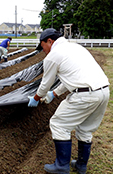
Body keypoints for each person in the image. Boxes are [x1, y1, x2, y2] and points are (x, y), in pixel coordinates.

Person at [28, 28, 109, 174]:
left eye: (43, 46)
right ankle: (81, 165)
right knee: (85, 129)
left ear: (49, 41)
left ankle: (61, 166)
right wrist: (54, 93)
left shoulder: (53, 56)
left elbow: (45, 83)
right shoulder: (75, 47)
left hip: (85, 95)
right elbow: (74, 77)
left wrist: (36, 98)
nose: (43, 50)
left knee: (58, 124)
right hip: (103, 91)